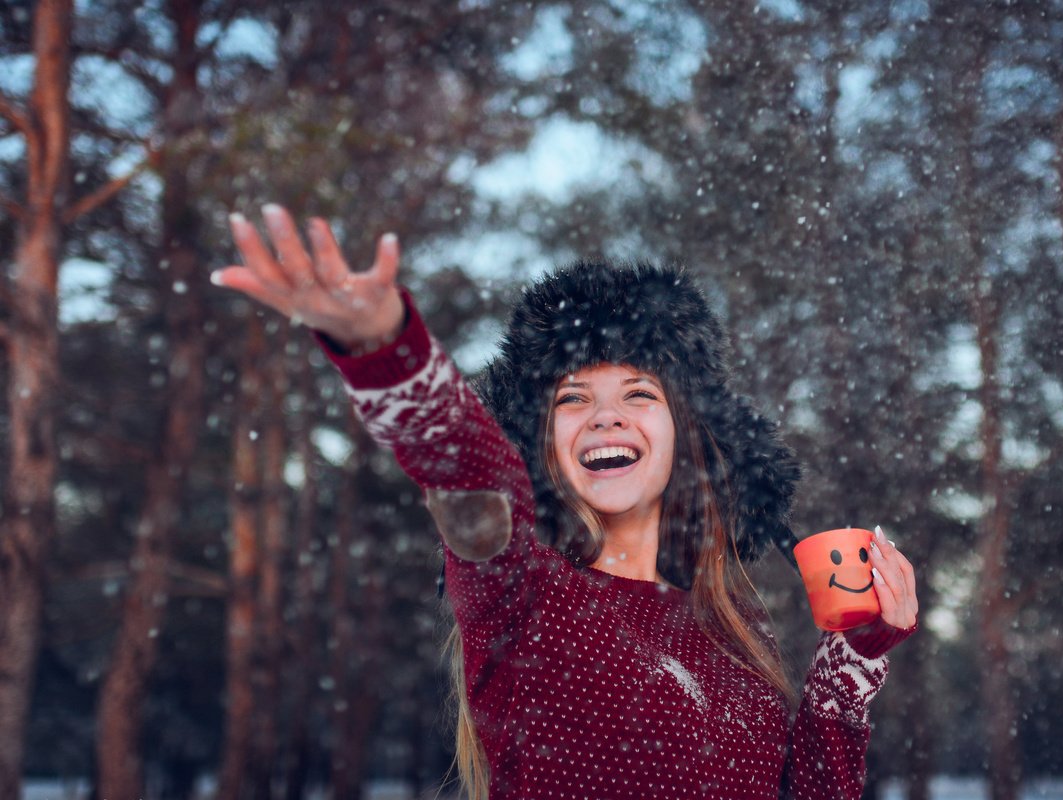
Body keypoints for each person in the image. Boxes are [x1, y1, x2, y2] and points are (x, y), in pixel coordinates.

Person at [213, 204, 919, 800]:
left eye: (639, 394)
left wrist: (853, 661)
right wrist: (385, 349)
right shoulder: (519, 590)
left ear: (685, 436)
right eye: (573, 400)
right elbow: (469, 473)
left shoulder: (734, 626)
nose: (606, 417)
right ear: (543, 444)